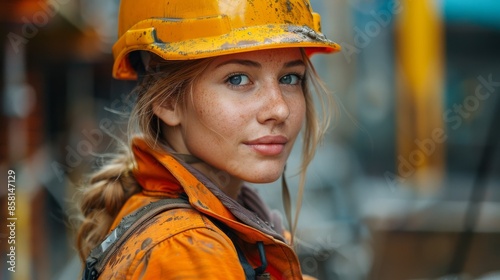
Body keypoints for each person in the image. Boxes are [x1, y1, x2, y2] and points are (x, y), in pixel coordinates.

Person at [76, 0, 340, 279]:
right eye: (238, 79)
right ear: (166, 100)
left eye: (289, 78)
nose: (279, 109)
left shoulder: (208, 231)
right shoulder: (188, 251)